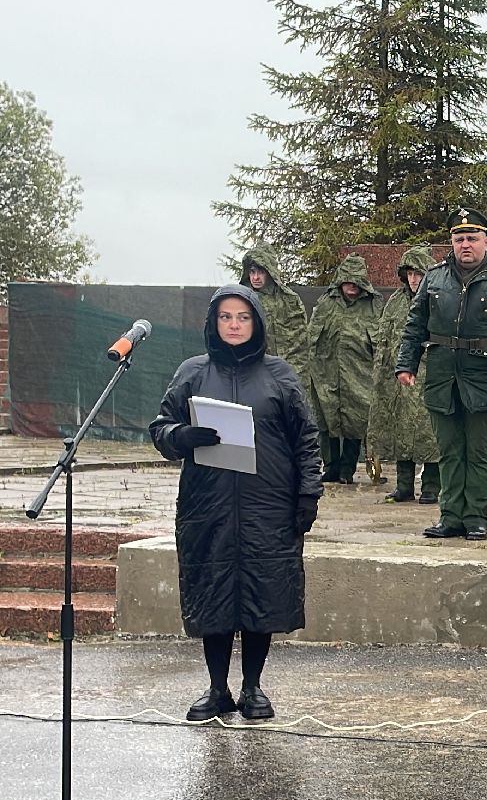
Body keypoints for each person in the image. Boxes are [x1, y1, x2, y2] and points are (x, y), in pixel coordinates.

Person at [150, 285, 323, 723]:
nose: (233, 325)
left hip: (268, 503)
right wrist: (180, 437)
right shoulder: (192, 372)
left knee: (261, 593)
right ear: (213, 323)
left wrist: (307, 493)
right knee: (214, 594)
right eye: (225, 317)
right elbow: (160, 427)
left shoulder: (279, 375)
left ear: (257, 322)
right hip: (208, 505)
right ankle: (216, 688)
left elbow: (305, 438)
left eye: (242, 317)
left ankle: (253, 688)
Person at [395, 207, 487, 542]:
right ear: (452, 243)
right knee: (449, 450)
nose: (465, 244)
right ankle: (450, 516)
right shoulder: (435, 278)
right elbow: (414, 326)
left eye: (472, 238)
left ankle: (476, 517)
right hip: (443, 376)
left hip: (485, 376)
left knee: (480, 452)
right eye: (459, 239)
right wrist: (406, 364)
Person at [369, 247, 442, 504]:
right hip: (398, 379)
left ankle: (432, 486)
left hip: (428, 376)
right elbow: (384, 340)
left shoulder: (438, 300)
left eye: (418, 274)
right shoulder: (395, 303)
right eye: (409, 274)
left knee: (429, 433)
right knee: (400, 432)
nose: (413, 279)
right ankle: (404, 485)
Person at [306, 254, 380, 484]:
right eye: (347, 281)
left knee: (355, 420)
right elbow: (311, 336)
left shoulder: (372, 305)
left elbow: (380, 339)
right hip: (326, 370)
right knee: (327, 420)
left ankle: (347, 468)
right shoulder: (327, 302)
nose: (351, 286)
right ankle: (331, 466)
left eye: (355, 281)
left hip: (360, 371)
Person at [240, 245, 314, 392]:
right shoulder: (242, 300)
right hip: (251, 377)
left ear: (270, 272)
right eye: (252, 272)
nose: (255, 277)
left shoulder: (289, 300)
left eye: (261, 272)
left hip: (285, 378)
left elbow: (299, 347)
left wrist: (293, 381)